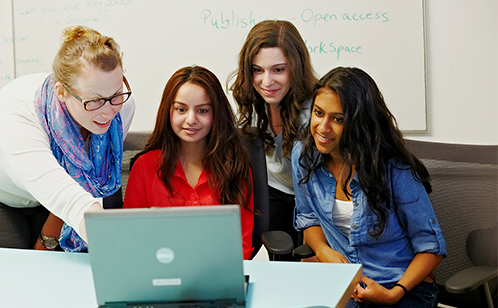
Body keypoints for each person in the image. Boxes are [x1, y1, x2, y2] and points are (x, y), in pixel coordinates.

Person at [0, 25, 135, 251]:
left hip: (49, 194)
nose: (108, 112)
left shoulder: (123, 107)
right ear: (61, 92)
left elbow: (80, 184)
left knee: (63, 264)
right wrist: (116, 248)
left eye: (115, 95)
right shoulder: (19, 115)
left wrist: (47, 239)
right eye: (94, 101)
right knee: (14, 271)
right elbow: (64, 195)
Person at [292, 67, 446, 307]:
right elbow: (308, 217)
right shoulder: (304, 157)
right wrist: (323, 251)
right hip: (346, 286)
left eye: (338, 119)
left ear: (359, 123)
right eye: (318, 113)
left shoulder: (394, 169)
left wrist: (393, 293)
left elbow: (432, 247)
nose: (323, 127)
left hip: (400, 288)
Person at [123, 65, 254, 259]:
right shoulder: (144, 166)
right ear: (168, 111)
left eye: (202, 110)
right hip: (161, 275)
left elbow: (241, 245)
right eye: (181, 109)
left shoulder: (234, 166)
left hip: (217, 278)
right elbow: (131, 239)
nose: (191, 119)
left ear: (216, 114)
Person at [229, 20, 318, 257]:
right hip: (271, 193)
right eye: (258, 70)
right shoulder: (254, 102)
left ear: (296, 68)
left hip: (313, 198)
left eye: (278, 69)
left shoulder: (316, 112)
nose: (266, 82)